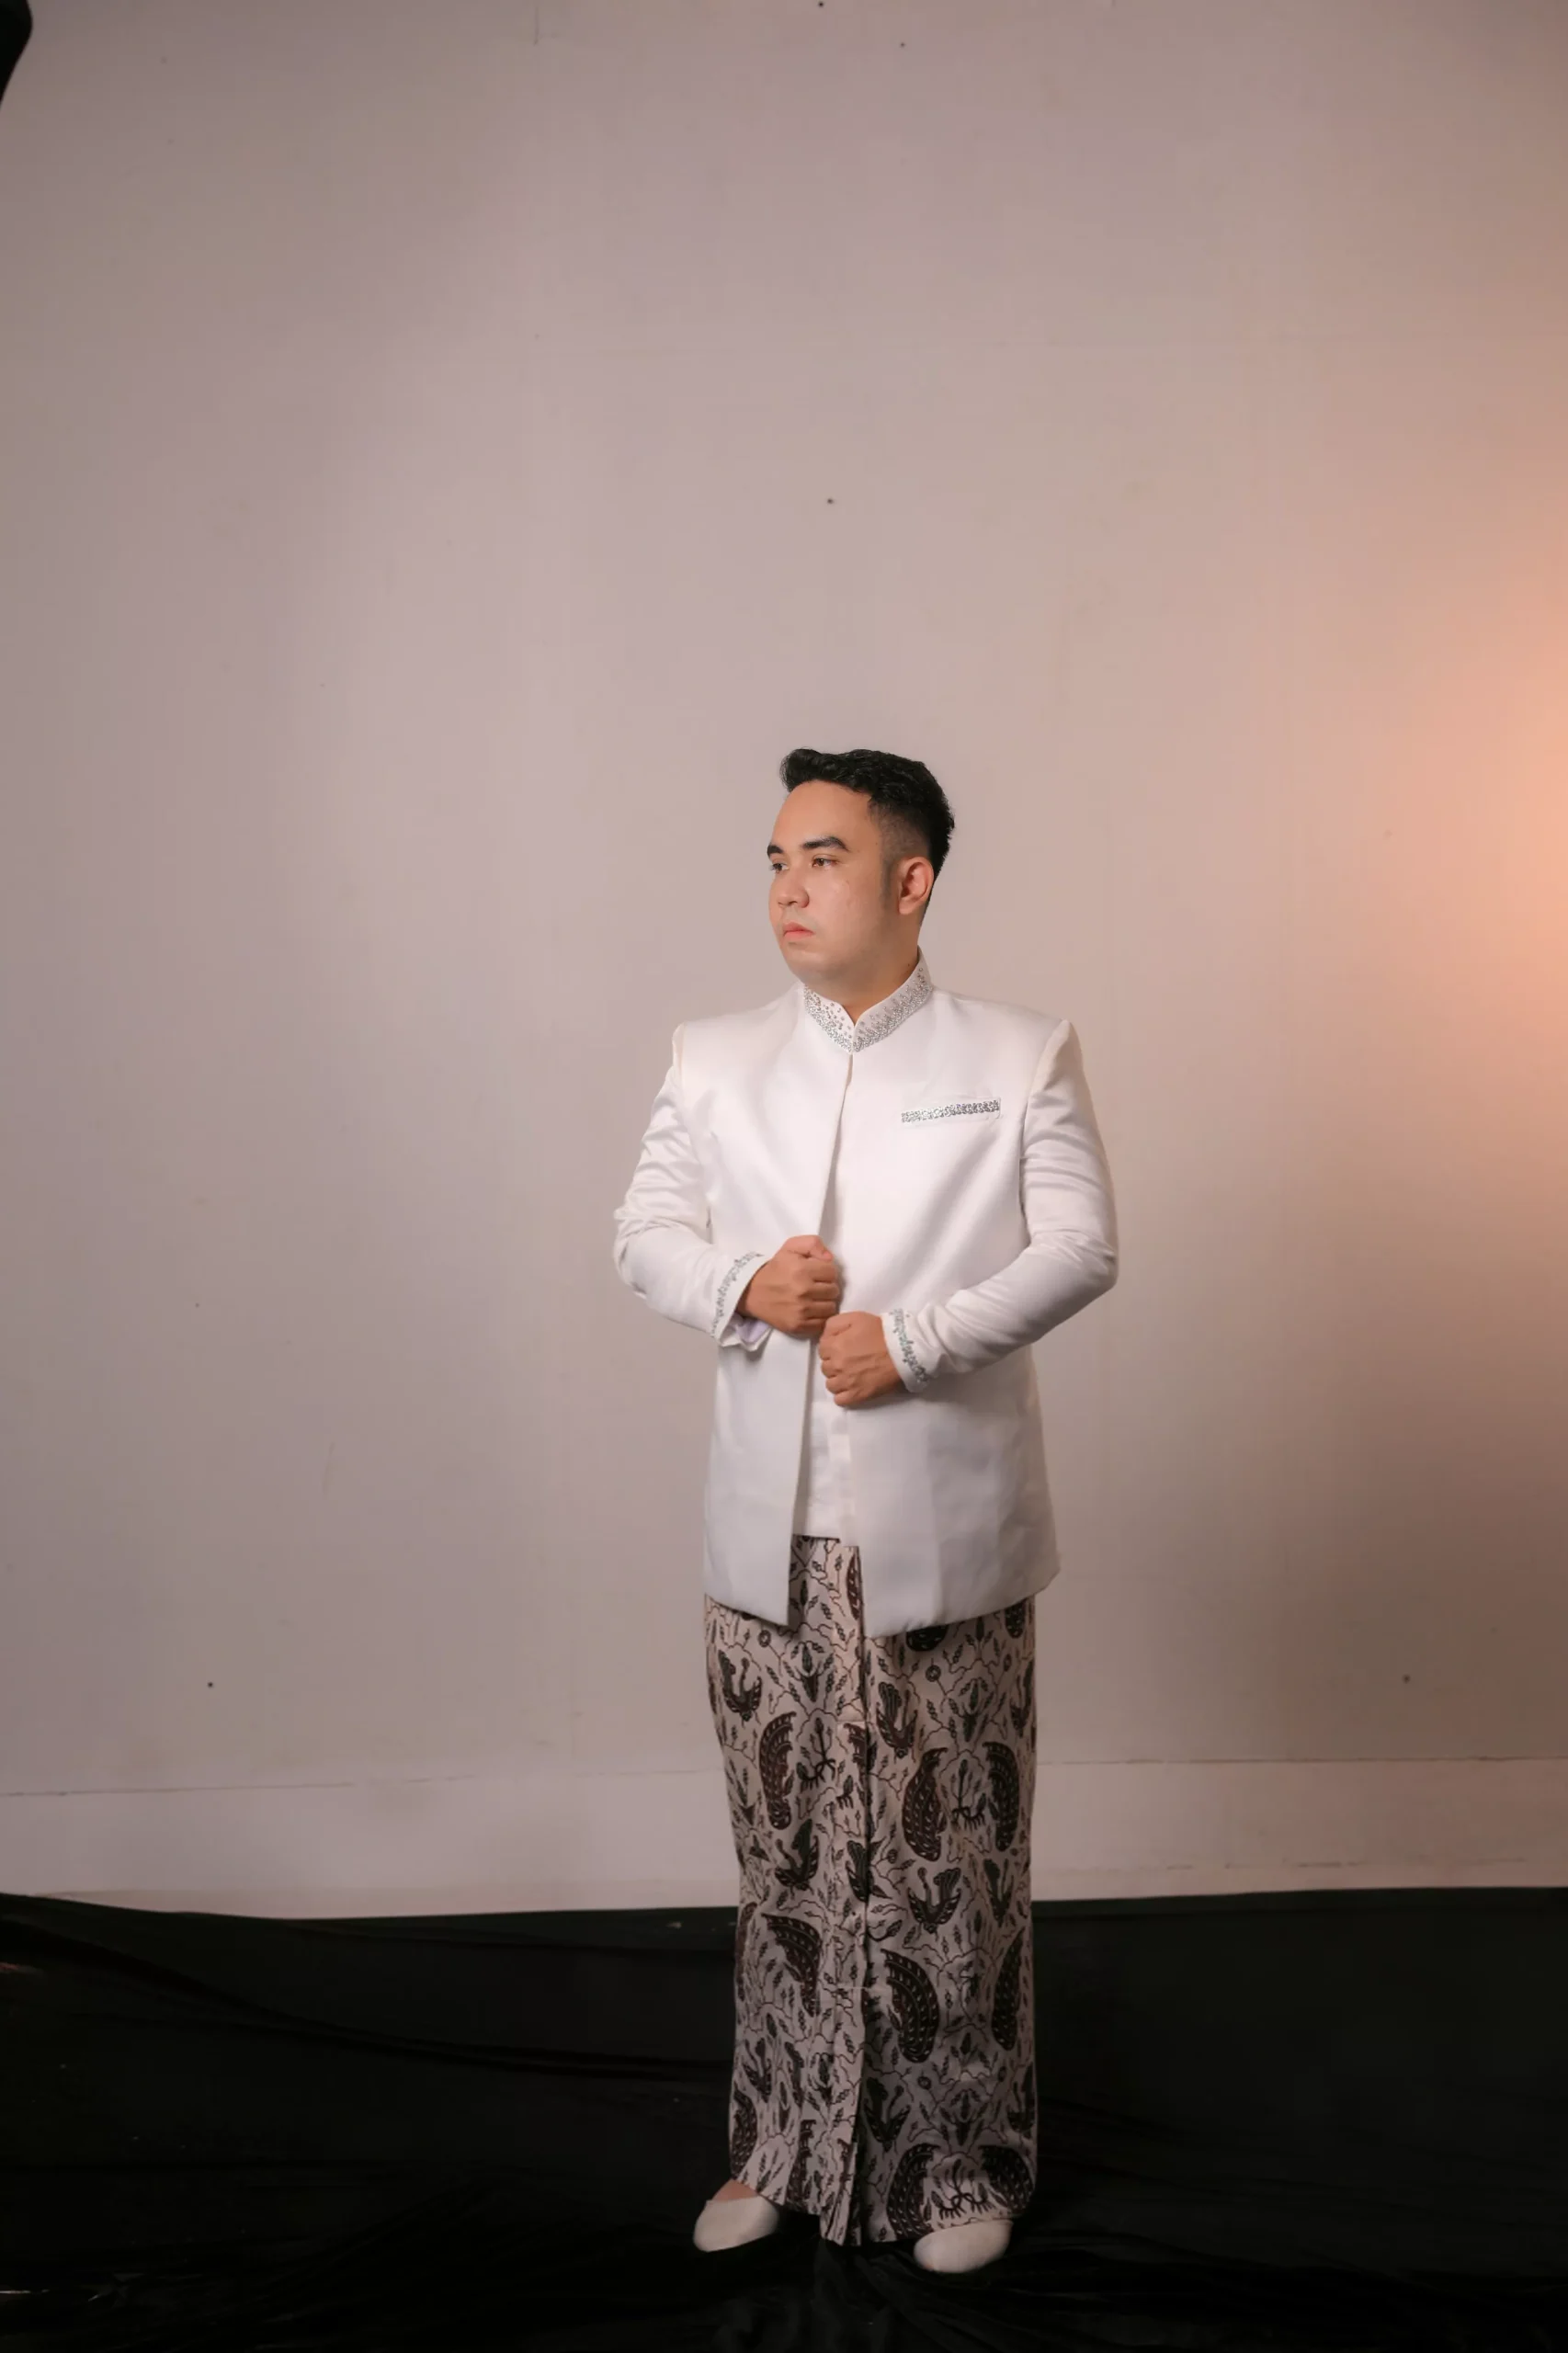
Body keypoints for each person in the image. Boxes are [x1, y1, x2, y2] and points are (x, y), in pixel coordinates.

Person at [611, 747, 1118, 2272]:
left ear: (911, 881)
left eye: (821, 858)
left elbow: (1080, 1246)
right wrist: (739, 1284)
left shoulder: (1017, 1051)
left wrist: (917, 1341)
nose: (787, 888)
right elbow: (642, 1233)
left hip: (947, 1530)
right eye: (774, 861)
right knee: (786, 1863)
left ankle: (960, 2164)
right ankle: (777, 2142)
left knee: (949, 1862)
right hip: (764, 1539)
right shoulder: (710, 1056)